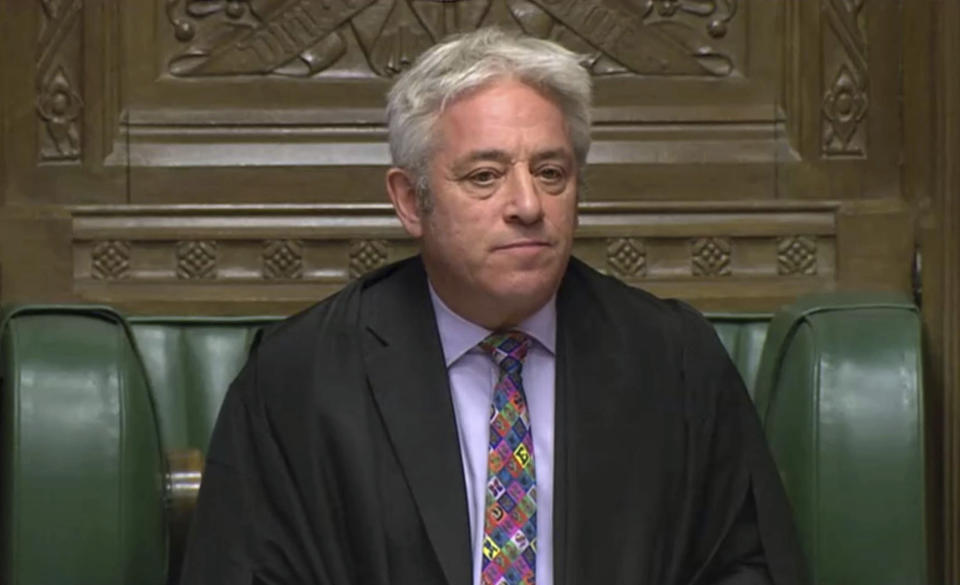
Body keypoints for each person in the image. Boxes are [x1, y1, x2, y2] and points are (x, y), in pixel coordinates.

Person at [180, 27, 807, 585]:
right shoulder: (301, 377)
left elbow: (747, 565)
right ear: (409, 201)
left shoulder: (674, 360)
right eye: (485, 176)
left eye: (552, 173)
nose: (528, 204)